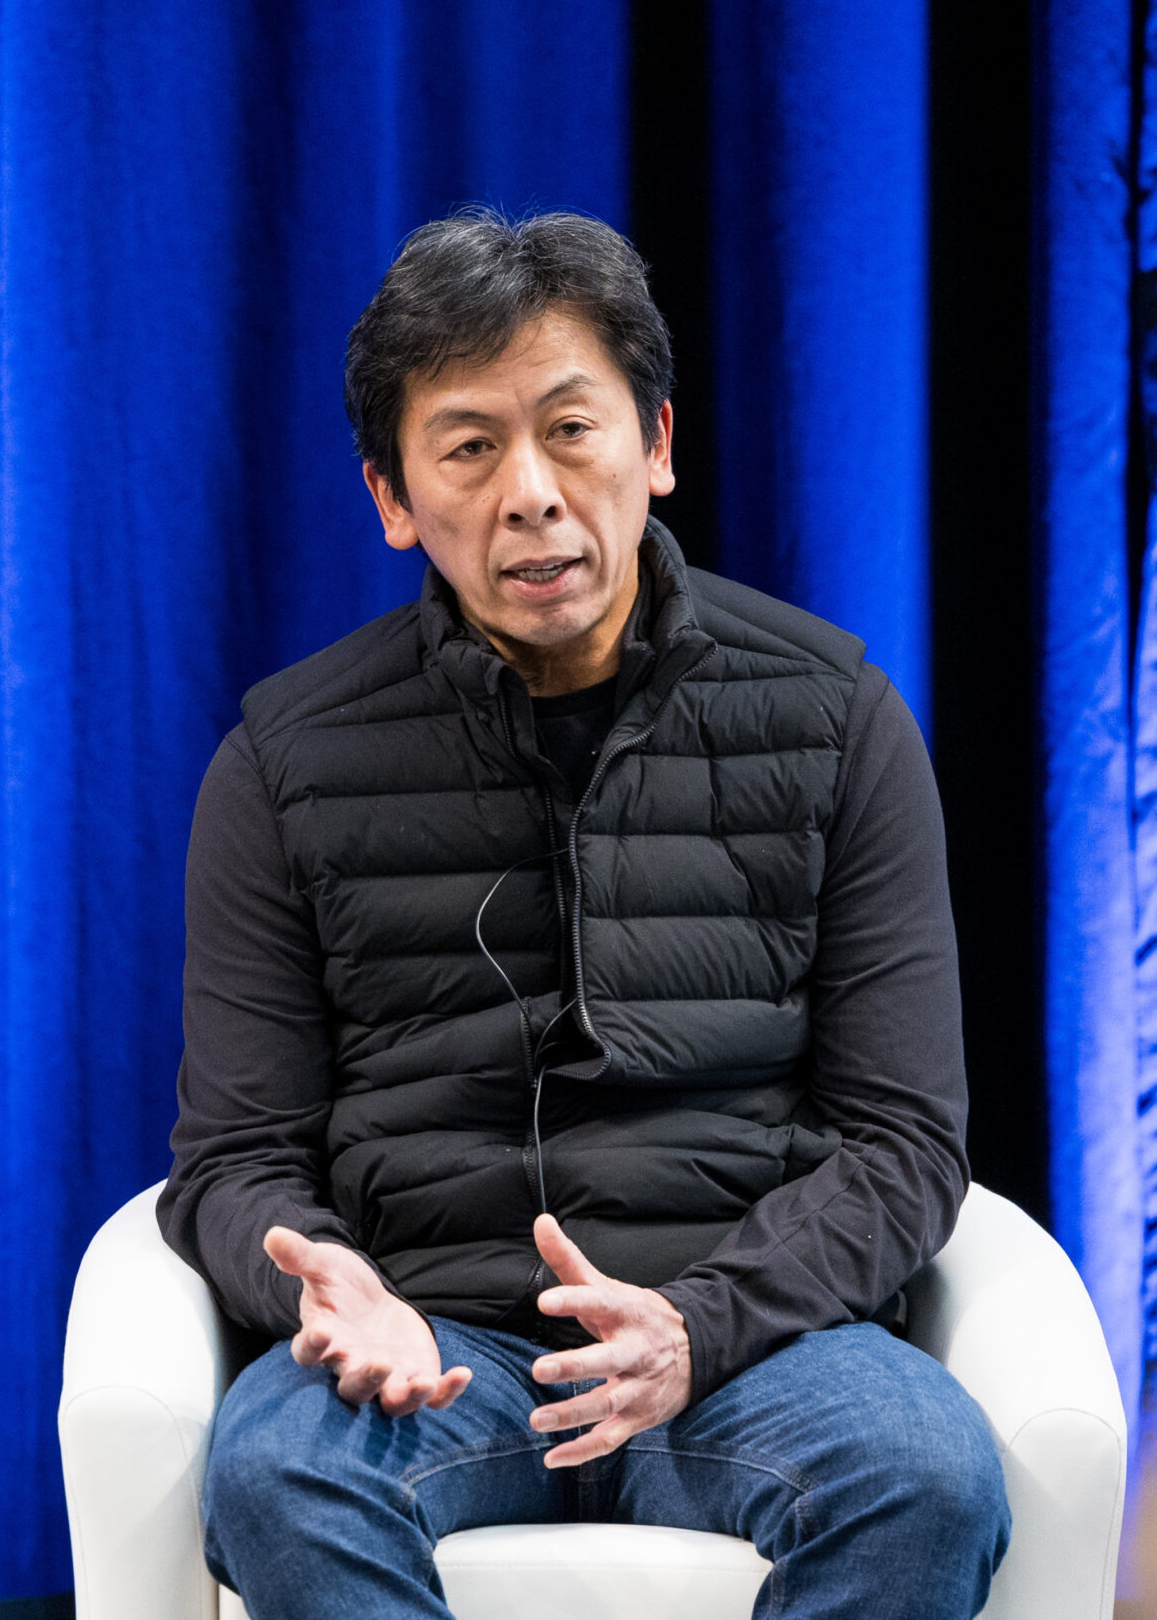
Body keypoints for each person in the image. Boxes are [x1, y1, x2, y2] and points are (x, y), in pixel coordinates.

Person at [159, 210, 1011, 1619]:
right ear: (392, 496)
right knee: (279, 1473)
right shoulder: (282, 764)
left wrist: (700, 1323)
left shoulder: (836, 719)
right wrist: (331, 1284)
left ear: (656, 442)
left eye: (571, 430)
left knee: (922, 1472)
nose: (533, 495)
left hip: (748, 1343)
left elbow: (905, 1141)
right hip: (440, 1344)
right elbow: (235, 1158)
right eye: (469, 448)